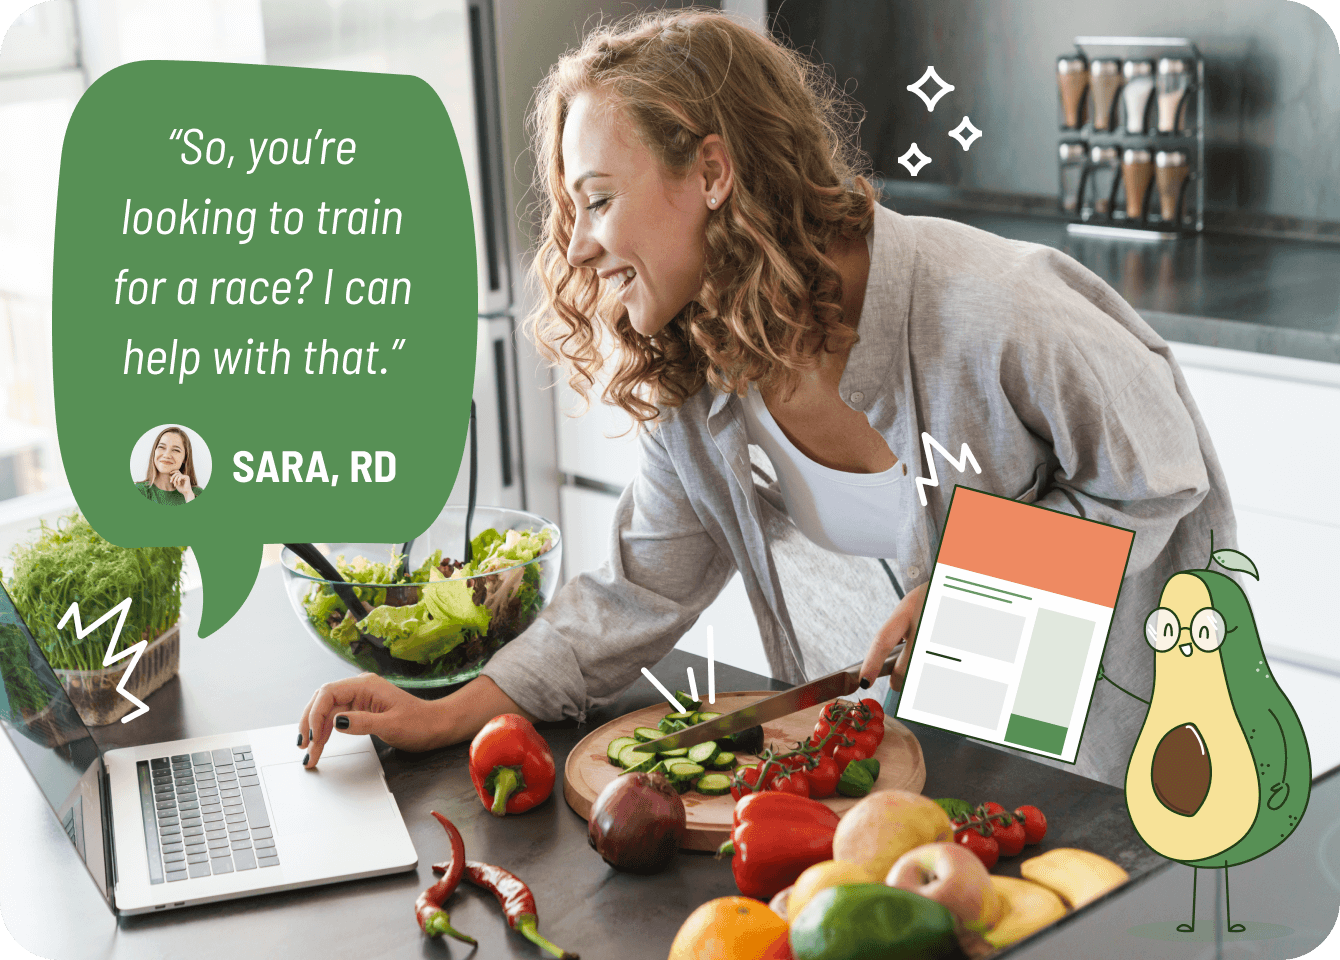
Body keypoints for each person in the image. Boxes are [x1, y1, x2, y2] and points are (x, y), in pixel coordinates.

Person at [296, 9, 1233, 787]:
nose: (576, 245)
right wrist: (449, 709)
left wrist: (983, 593)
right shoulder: (695, 368)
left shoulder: (998, 309)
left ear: (712, 172)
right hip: (890, 788)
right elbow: (635, 591)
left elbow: (1162, 483)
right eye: (570, 209)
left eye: (599, 198)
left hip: (1100, 790)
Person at [133, 426, 203, 505]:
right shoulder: (139, 490)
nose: (166, 455)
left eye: (176, 450)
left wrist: (188, 495)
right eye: (161, 447)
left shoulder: (195, 494)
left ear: (185, 458)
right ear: (154, 452)